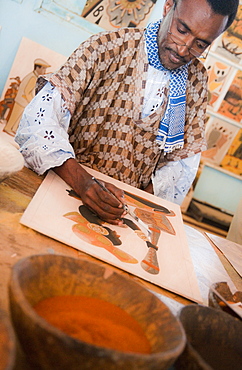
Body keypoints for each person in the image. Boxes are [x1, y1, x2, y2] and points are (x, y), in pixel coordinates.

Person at [15, 0, 239, 225]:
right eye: (182, 30)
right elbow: (39, 121)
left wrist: (131, 208)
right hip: (64, 185)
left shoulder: (196, 82)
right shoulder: (105, 47)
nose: (183, 49)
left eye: (200, 45)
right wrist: (84, 183)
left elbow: (181, 165)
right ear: (168, 5)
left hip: (121, 212)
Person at [4, 58, 51, 136]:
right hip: (22, 100)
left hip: (23, 100)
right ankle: (8, 128)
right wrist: (32, 102)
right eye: (43, 69)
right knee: (16, 115)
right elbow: (27, 92)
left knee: (19, 116)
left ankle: (13, 129)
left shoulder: (33, 76)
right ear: (37, 68)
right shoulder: (33, 78)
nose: (44, 71)